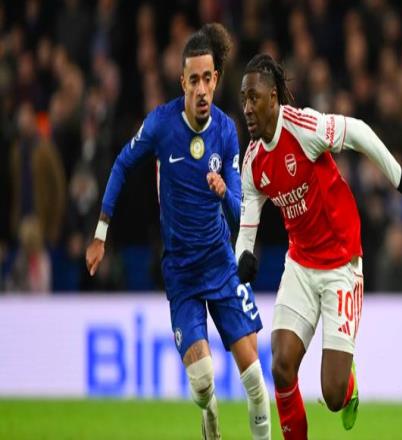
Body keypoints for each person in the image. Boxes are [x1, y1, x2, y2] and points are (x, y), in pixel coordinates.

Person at [86, 25, 270, 440]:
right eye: (194, 80)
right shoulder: (161, 124)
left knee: (256, 382)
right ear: (182, 82)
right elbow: (121, 164)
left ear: (216, 79)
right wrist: (100, 233)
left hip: (221, 264)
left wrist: (224, 193)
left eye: (208, 79)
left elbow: (240, 212)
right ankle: (209, 414)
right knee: (202, 382)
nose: (202, 89)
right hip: (182, 272)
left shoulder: (227, 131)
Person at [236, 54, 402, 439]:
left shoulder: (303, 128)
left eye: (254, 98)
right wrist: (243, 255)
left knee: (333, 394)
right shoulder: (253, 162)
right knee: (281, 365)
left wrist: (400, 179)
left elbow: (357, 131)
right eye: (243, 99)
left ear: (273, 98)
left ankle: (349, 385)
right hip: (300, 264)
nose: (247, 108)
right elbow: (248, 221)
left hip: (341, 262)